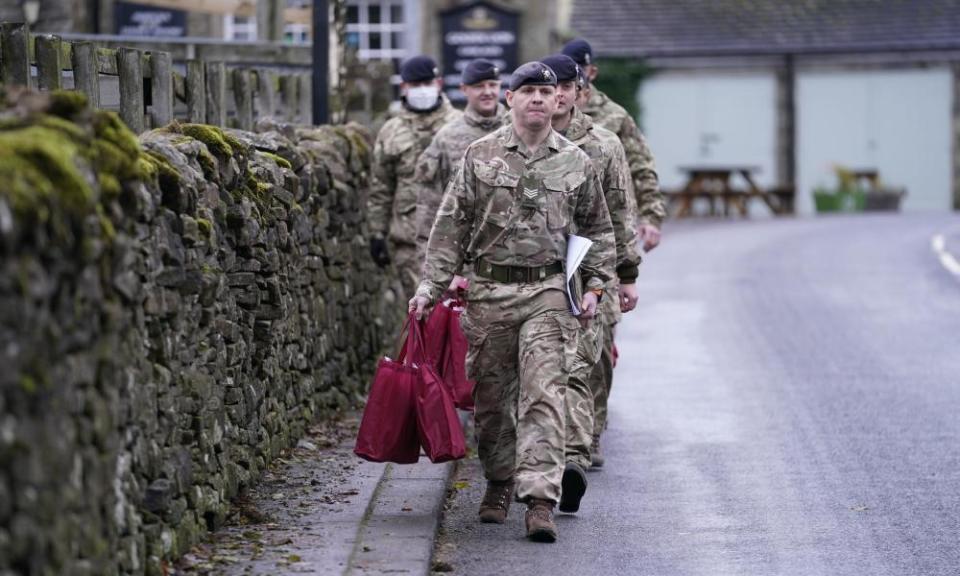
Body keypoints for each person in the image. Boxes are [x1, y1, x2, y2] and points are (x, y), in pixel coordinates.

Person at [408, 61, 615, 543]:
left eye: (547, 91)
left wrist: (596, 286)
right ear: (511, 99)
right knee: (493, 399)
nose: (540, 99)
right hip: (490, 293)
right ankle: (499, 482)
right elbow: (450, 228)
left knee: (545, 392)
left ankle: (540, 499)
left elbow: (597, 230)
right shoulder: (480, 156)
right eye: (529, 92)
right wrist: (429, 289)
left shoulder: (575, 161)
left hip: (547, 291)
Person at [541, 53, 641, 512]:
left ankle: (577, 454)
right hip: (533, 276)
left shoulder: (603, 143)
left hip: (588, 274)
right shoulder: (514, 141)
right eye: (549, 86)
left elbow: (619, 212)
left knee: (584, 365)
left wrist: (626, 274)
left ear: (580, 90)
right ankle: (538, 459)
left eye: (566, 85)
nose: (557, 93)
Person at [367, 55, 461, 298]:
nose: (422, 90)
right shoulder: (391, 131)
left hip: (457, 242)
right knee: (421, 314)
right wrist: (377, 233)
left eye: (426, 83)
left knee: (457, 318)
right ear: (404, 88)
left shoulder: (460, 126)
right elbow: (381, 186)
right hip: (409, 244)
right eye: (415, 85)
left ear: (438, 84)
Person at [562, 38, 666, 253]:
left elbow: (641, 165)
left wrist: (650, 217)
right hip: (557, 227)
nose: (574, 75)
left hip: (606, 227)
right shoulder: (546, 114)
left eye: (579, 69)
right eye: (567, 69)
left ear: (592, 73)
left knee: (604, 285)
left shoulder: (615, 116)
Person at [414, 58, 508, 268]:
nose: (487, 92)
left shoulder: (519, 130)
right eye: (479, 86)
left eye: (492, 85)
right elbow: (429, 206)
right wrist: (430, 266)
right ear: (464, 89)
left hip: (513, 257)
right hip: (465, 260)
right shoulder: (446, 137)